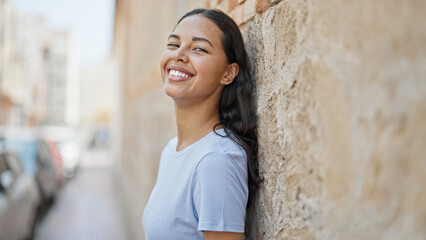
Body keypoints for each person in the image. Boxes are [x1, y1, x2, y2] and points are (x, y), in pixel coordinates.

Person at [142, 8, 262, 240]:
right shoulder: (172, 149)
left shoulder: (217, 161)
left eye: (199, 48)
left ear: (228, 73)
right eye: (173, 44)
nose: (179, 55)